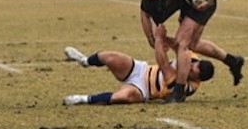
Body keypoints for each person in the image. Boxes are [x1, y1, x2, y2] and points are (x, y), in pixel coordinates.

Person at [135, 0, 243, 103]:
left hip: (202, 6)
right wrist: (150, 38)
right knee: (193, 44)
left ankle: (179, 92)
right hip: (186, 6)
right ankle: (233, 61)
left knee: (182, 44)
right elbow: (144, 14)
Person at [62, 24, 214, 105]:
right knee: (112, 57)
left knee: (122, 97)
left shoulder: (186, 87)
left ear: (197, 79)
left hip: (143, 90)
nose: (189, 67)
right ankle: (85, 60)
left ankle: (82, 99)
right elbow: (178, 45)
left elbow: (163, 64)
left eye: (192, 71)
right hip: (141, 69)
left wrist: (159, 41)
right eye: (193, 65)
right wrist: (165, 38)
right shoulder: (191, 58)